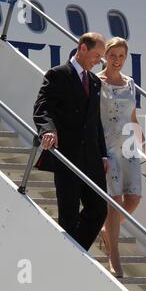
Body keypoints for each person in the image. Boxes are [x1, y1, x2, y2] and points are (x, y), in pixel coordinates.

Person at [33, 32, 109, 251]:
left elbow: (95, 122)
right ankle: (69, 255)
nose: (99, 61)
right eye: (97, 55)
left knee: (98, 209)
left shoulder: (95, 82)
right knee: (69, 214)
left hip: (92, 158)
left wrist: (103, 154)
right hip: (67, 155)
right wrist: (48, 130)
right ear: (83, 48)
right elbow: (42, 107)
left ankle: (74, 252)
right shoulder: (58, 74)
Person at [97, 37, 146, 277]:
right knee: (115, 200)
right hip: (108, 146)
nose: (117, 60)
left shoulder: (130, 84)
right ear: (105, 55)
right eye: (113, 56)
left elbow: (133, 120)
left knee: (134, 199)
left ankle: (106, 231)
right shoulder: (96, 81)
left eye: (122, 56)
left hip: (129, 147)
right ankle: (114, 257)